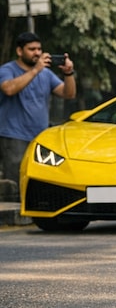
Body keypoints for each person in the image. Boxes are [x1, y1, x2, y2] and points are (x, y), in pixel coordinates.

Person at [0, 32, 76, 200]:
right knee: (15, 182)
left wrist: (69, 73)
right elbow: (9, 89)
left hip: (40, 137)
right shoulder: (7, 70)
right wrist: (35, 70)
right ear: (20, 51)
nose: (37, 53)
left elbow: (68, 93)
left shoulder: (46, 74)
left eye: (39, 49)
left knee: (41, 180)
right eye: (31, 49)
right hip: (14, 136)